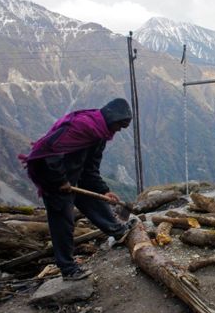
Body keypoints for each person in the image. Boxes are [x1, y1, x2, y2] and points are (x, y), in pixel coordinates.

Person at [19, 98, 133, 280]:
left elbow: (90, 169)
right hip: (51, 175)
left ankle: (117, 230)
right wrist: (60, 180)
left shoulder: (100, 134)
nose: (119, 130)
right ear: (112, 118)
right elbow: (50, 150)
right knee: (62, 219)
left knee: (92, 200)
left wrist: (103, 191)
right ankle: (68, 269)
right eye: (120, 125)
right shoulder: (82, 126)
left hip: (72, 175)